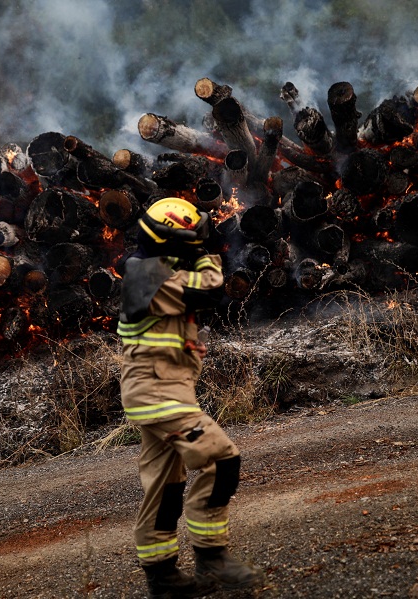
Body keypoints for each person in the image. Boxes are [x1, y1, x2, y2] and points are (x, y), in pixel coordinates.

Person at [117, 197, 260, 598]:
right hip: (158, 393)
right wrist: (207, 254)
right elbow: (210, 290)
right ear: (171, 240)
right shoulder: (146, 273)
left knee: (164, 485)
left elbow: (174, 318)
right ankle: (212, 559)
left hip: (164, 390)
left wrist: (184, 347)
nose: (198, 244)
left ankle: (162, 578)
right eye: (191, 239)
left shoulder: (150, 269)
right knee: (222, 458)